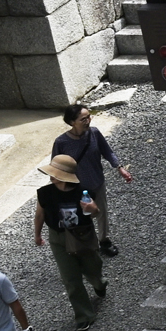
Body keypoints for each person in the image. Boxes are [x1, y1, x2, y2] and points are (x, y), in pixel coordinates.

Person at [33, 153, 107, 325]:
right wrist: (37, 234)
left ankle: (99, 283)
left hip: (83, 235)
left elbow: (95, 213)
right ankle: (84, 316)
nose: (51, 176)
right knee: (70, 278)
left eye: (55, 173)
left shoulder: (83, 192)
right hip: (58, 237)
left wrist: (93, 208)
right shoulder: (44, 193)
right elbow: (39, 215)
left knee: (92, 266)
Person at [52, 102, 132, 256]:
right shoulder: (61, 143)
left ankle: (104, 241)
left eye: (89, 117)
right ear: (71, 122)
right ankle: (83, 247)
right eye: (83, 119)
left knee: (101, 213)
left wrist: (119, 167)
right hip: (75, 188)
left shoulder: (94, 133)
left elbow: (107, 152)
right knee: (80, 217)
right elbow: (56, 167)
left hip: (96, 182)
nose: (88, 121)